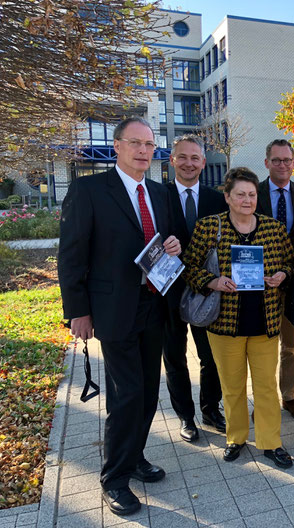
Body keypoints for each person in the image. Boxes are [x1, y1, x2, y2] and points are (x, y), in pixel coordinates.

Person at [58, 116, 181, 516]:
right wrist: (78, 311)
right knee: (126, 394)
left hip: (153, 305)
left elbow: (160, 243)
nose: (145, 151)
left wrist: (172, 245)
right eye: (136, 143)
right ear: (117, 146)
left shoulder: (160, 194)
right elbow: (71, 254)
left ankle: (135, 456)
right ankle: (114, 479)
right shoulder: (89, 189)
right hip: (113, 310)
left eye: (150, 144)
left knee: (147, 392)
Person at [181, 167, 294, 468]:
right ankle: (236, 437)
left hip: (264, 321)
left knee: (266, 387)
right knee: (232, 386)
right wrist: (212, 281)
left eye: (252, 194)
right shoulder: (210, 227)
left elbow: (289, 262)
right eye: (241, 194)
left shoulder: (273, 228)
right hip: (225, 322)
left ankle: (271, 442)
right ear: (228, 197)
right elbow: (189, 266)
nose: (247, 200)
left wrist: (282, 274)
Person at [164, 135, 228, 442]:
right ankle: (185, 417)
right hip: (168, 290)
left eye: (195, 158)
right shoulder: (157, 196)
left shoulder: (217, 200)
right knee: (174, 356)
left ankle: (210, 408)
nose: (189, 163)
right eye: (183, 157)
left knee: (211, 356)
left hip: (207, 290)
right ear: (172, 160)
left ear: (203, 162)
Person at [256, 139, 294, 420]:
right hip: (260, 283)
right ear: (267, 162)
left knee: (291, 344)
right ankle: (263, 399)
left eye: (287, 160)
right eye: (276, 160)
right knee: (261, 345)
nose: (282, 165)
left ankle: (290, 395)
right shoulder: (253, 193)